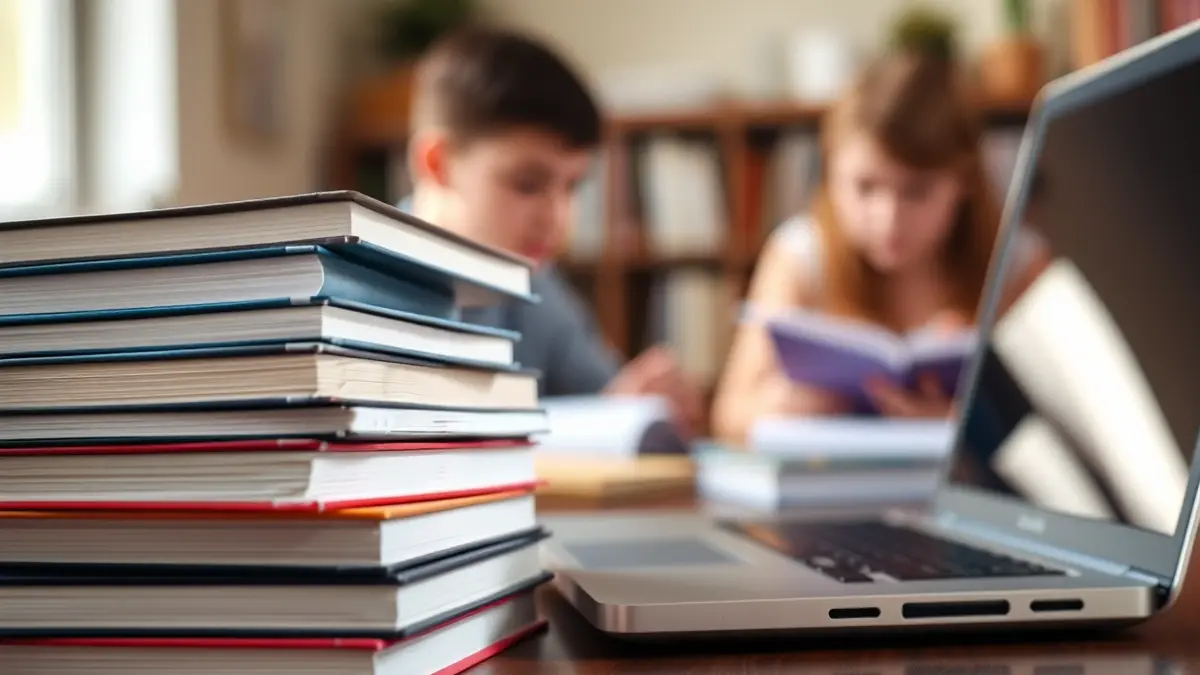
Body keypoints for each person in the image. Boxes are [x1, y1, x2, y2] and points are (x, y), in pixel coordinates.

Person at [711, 51, 1050, 444]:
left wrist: (968, 425)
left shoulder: (1018, 264)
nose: (888, 219)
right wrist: (782, 406)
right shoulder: (799, 256)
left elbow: (1055, 428)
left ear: (965, 182)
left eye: (917, 191)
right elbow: (729, 415)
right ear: (830, 172)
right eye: (865, 187)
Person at [399, 25, 702, 435]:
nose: (559, 217)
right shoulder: (358, 290)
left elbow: (599, 404)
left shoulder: (536, 284)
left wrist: (629, 407)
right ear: (438, 164)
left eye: (573, 186)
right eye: (527, 184)